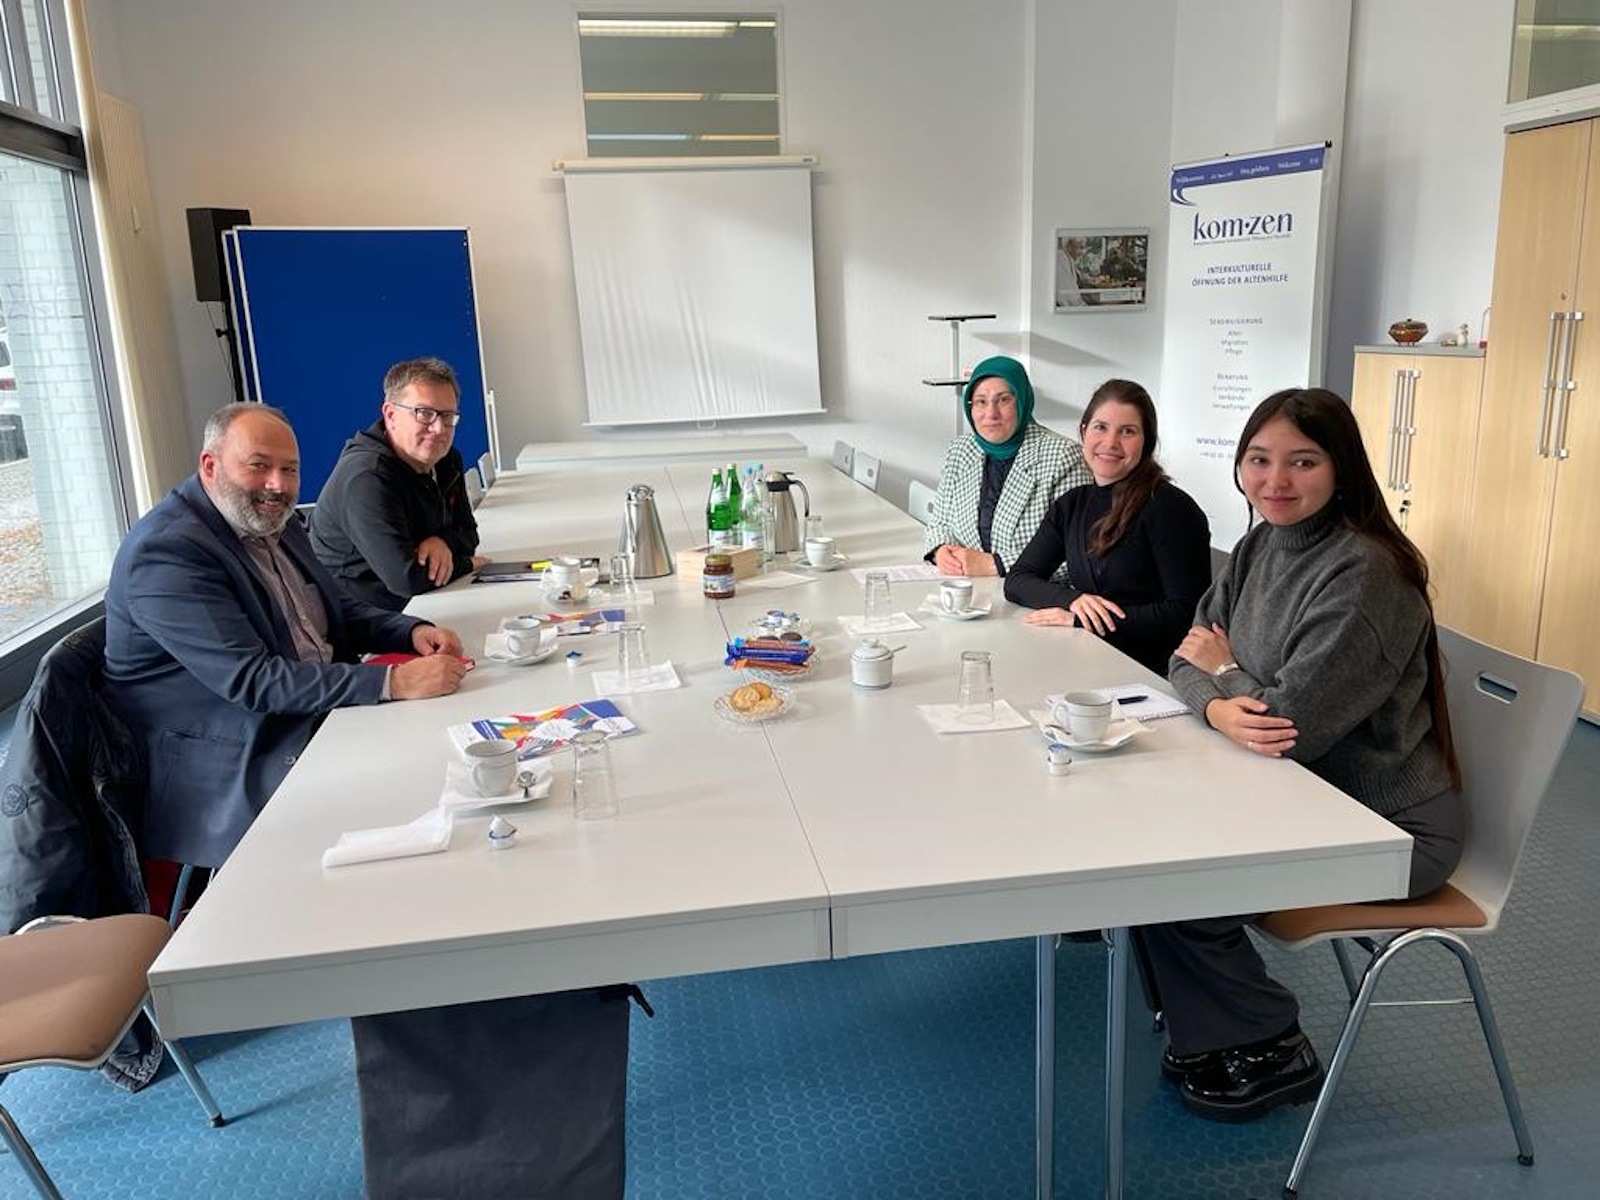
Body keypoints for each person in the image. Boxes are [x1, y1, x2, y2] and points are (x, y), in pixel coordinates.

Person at [1143, 387, 1464, 1123]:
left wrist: (1226, 676)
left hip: (1385, 826)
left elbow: (1288, 724)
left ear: (1341, 468)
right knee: (1140, 859)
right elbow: (1185, 653)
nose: (1276, 481)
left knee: (1169, 884)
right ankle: (1212, 1031)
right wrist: (1220, 703)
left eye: (1303, 462)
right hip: (1293, 795)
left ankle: (1269, 1040)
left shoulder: (1366, 574)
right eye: (1259, 459)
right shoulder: (1260, 544)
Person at [104, 402, 470, 869]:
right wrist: (393, 682)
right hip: (240, 756)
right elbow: (253, 681)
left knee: (456, 758)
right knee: (430, 794)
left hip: (313, 716)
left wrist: (412, 631)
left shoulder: (274, 521)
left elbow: (335, 610)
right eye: (258, 466)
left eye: (290, 470)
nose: (277, 484)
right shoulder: (167, 553)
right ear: (210, 466)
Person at [1004, 379, 1211, 673]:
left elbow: (1184, 613)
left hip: (1153, 671)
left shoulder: (1171, 509)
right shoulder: (1072, 504)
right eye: (1101, 427)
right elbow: (1018, 580)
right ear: (1083, 432)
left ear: (1147, 442)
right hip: (1090, 654)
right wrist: (1072, 600)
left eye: (1127, 431)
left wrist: (1082, 620)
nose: (1111, 442)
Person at [310, 357, 488, 611]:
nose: (439, 428)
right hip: (368, 617)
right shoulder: (367, 478)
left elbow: (469, 534)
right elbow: (406, 579)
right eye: (424, 414)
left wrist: (442, 541)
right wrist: (467, 564)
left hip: (427, 600)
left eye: (448, 416)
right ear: (391, 415)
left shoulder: (446, 459)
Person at [924, 355, 1092, 578]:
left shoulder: (1064, 456)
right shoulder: (961, 449)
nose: (991, 414)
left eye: (1003, 400)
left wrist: (995, 565)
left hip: (1029, 593)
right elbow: (940, 521)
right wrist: (941, 550)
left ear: (1022, 401)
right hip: (968, 587)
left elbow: (1079, 554)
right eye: (981, 402)